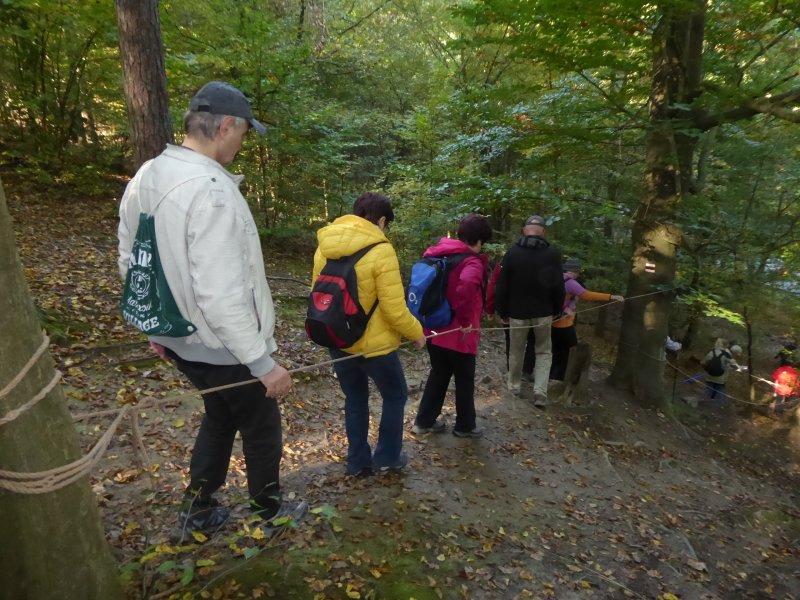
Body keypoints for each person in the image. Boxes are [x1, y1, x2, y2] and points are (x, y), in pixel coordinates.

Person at [118, 81, 304, 539]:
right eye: (243, 133)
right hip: (222, 346)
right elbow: (220, 295)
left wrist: (158, 330)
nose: (243, 143)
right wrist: (263, 364)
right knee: (261, 429)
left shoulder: (148, 174)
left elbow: (132, 259)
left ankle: (198, 509)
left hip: (183, 342)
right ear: (225, 127)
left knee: (220, 417)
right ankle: (269, 513)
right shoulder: (213, 191)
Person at [312, 192, 425, 476]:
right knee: (396, 395)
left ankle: (358, 461)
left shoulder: (325, 244)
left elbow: (318, 293)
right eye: (387, 225)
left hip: (338, 338)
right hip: (376, 347)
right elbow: (394, 309)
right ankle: (387, 456)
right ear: (382, 220)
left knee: (355, 398)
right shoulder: (381, 250)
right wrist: (416, 333)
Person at [411, 215, 492, 438]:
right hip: (459, 333)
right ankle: (465, 426)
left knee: (439, 373)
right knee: (464, 378)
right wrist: (466, 321)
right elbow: (466, 285)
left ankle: (424, 422)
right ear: (480, 240)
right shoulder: (471, 261)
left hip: (434, 328)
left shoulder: (441, 252)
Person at [494, 215, 565, 407]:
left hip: (517, 312)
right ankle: (540, 392)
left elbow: (502, 285)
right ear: (543, 232)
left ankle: (514, 386)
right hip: (543, 312)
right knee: (543, 351)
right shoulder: (552, 254)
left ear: (525, 231)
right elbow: (559, 285)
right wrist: (558, 308)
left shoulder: (513, 253)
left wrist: (502, 311)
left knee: (516, 350)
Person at [549, 258, 624, 381]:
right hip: (563, 323)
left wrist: (567, 307)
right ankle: (562, 377)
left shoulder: (556, 277)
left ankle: (553, 375)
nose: (579, 274)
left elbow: (566, 298)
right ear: (575, 271)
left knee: (557, 350)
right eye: (578, 272)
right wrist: (611, 296)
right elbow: (587, 295)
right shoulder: (571, 282)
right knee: (570, 350)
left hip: (552, 321)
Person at [485, 256, 536, 379]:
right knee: (531, 339)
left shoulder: (502, 265)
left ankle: (513, 371)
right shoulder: (534, 264)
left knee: (511, 341)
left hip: (508, 310)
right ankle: (526, 370)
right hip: (529, 311)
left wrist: (491, 309)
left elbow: (493, 288)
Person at [702, 339, 742, 407]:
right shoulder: (726, 354)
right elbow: (734, 365)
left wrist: (708, 369)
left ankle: (705, 405)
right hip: (720, 377)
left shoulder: (712, 352)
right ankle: (719, 407)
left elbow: (703, 362)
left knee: (709, 388)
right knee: (720, 390)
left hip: (710, 375)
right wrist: (739, 368)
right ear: (725, 345)